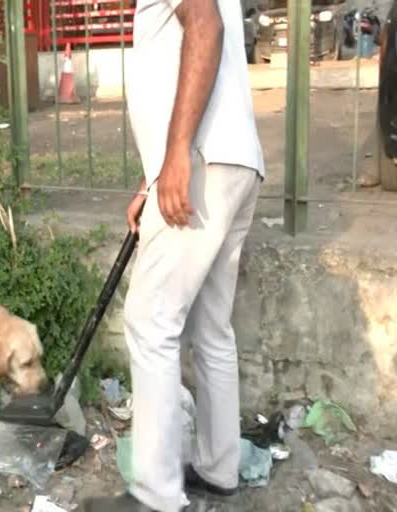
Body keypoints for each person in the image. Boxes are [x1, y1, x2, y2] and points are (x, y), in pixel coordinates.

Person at [83, 0, 264, 511]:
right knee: (211, 327)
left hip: (203, 158)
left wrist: (179, 153)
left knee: (149, 321)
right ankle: (218, 468)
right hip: (234, 162)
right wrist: (155, 173)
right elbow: (180, 66)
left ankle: (156, 495)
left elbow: (205, 28)